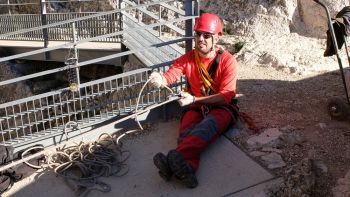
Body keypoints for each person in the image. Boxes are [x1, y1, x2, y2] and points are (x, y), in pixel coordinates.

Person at [148, 13, 239, 188]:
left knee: (206, 127)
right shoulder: (190, 58)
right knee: (185, 131)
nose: (200, 39)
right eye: (198, 34)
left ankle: (170, 164)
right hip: (196, 106)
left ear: (217, 38)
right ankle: (188, 168)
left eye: (206, 35)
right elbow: (174, 72)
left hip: (222, 109)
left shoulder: (228, 62)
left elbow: (226, 96)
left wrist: (195, 99)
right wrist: (161, 79)